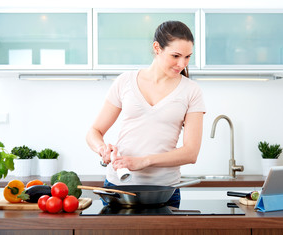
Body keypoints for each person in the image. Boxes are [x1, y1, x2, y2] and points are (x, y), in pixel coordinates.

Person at [86, 21, 206, 204]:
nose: (182, 63)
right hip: (118, 187)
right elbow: (94, 131)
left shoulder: (191, 91)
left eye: (188, 57)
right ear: (157, 48)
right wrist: (102, 149)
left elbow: (191, 153)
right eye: (175, 56)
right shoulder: (125, 82)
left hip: (164, 191)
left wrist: (143, 161)